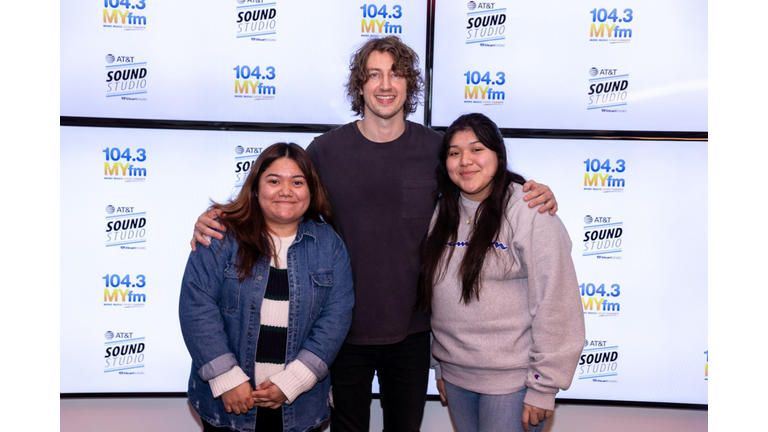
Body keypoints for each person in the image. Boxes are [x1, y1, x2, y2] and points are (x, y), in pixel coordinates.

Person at [192, 36, 558, 432]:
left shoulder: (438, 150)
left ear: (410, 84)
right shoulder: (325, 151)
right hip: (340, 330)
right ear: (360, 86)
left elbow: (481, 190)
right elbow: (282, 201)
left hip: (413, 330)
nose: (385, 85)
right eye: (374, 75)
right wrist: (222, 217)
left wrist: (528, 191)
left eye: (396, 74)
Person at [418, 113, 585, 432]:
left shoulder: (530, 210)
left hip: (515, 384)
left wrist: (543, 386)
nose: (465, 161)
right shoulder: (441, 212)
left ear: (498, 154)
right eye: (454, 152)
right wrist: (440, 366)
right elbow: (437, 298)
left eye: (476, 149)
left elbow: (557, 303)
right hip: (456, 378)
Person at [179, 143, 354, 432]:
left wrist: (293, 382)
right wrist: (227, 379)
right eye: (274, 181)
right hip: (229, 402)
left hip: (298, 404)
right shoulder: (220, 235)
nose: (286, 191)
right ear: (256, 188)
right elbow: (196, 306)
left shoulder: (329, 244)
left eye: (297, 182)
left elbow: (336, 318)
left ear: (311, 191)